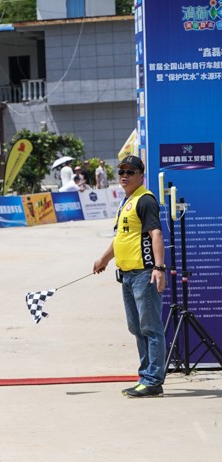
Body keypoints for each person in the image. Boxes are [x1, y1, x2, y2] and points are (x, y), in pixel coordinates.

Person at [92, 155, 167, 398]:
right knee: (136, 327)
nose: (124, 175)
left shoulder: (145, 200)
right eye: (121, 171)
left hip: (143, 274)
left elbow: (156, 233)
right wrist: (105, 258)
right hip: (126, 275)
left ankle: (153, 380)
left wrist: (159, 268)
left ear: (140, 175)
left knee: (150, 327)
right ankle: (145, 376)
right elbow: (122, 238)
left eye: (130, 171)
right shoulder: (128, 201)